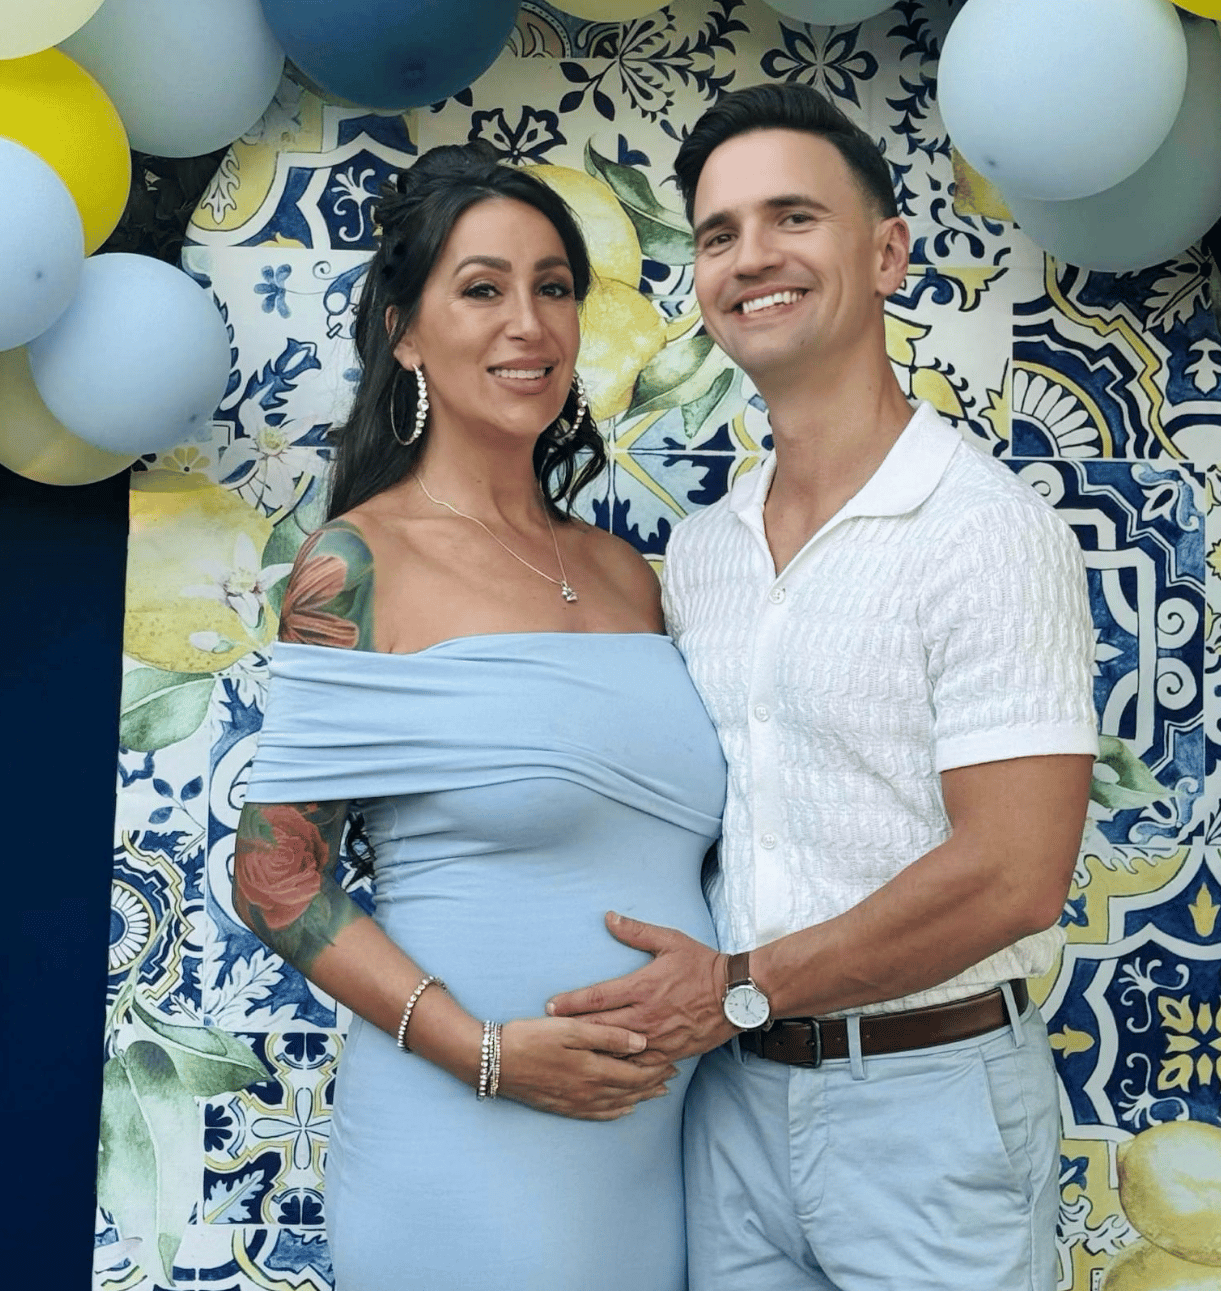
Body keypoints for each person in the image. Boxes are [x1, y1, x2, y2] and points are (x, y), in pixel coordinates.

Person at [546, 83, 1099, 1290]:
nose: (751, 257)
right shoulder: (702, 554)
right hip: (727, 1110)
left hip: (928, 1110)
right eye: (718, 233)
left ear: (887, 253)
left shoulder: (985, 531)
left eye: (792, 217)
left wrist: (736, 989)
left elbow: (1014, 872)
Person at [231, 142, 726, 1291]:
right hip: (464, 1134)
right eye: (482, 288)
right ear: (404, 331)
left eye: (552, 286)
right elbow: (275, 876)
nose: (528, 324)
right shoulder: (356, 563)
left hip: (649, 1156)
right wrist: (487, 1053)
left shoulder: (626, 572)